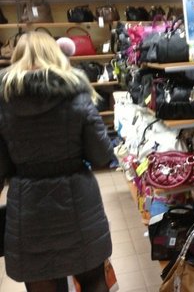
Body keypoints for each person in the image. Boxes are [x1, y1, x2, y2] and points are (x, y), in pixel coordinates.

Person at [0, 31, 115, 292]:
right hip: (79, 204)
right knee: (94, 281)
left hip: (28, 209)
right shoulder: (76, 94)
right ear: (56, 54)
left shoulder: (3, 102)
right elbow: (101, 155)